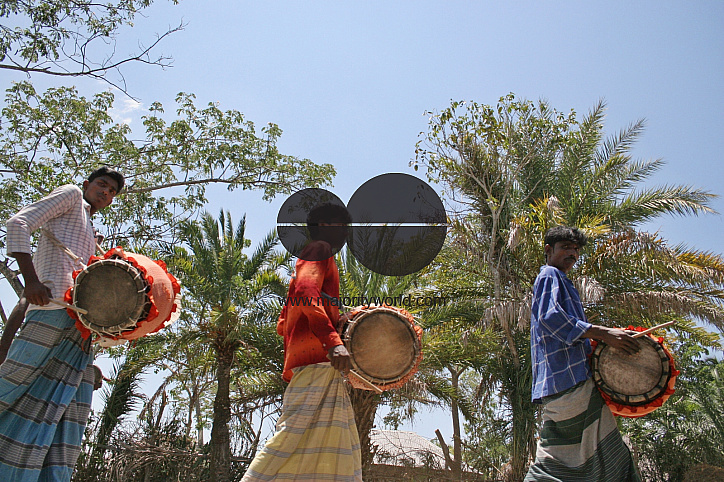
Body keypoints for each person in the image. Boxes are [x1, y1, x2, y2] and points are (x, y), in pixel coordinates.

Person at [0, 166, 124, 481]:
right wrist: (30, 281)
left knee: (67, 417)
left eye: (111, 192)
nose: (106, 193)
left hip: (79, 332)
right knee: (11, 384)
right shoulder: (70, 195)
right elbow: (18, 224)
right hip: (51, 312)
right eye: (102, 184)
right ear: (87, 184)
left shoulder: (90, 230)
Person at [242, 203, 362, 482]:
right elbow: (307, 295)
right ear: (323, 226)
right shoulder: (319, 249)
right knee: (290, 436)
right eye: (340, 225)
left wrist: (340, 321)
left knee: (333, 440)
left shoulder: (320, 256)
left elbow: (286, 320)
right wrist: (333, 342)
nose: (345, 233)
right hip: (316, 359)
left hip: (317, 362)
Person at [524, 226, 642, 481]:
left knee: (560, 463)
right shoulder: (549, 275)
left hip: (563, 384)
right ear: (548, 250)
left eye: (576, 249)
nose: (573, 254)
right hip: (569, 382)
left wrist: (607, 336)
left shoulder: (562, 282)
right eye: (566, 247)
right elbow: (550, 318)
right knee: (613, 461)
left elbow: (571, 332)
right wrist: (605, 334)